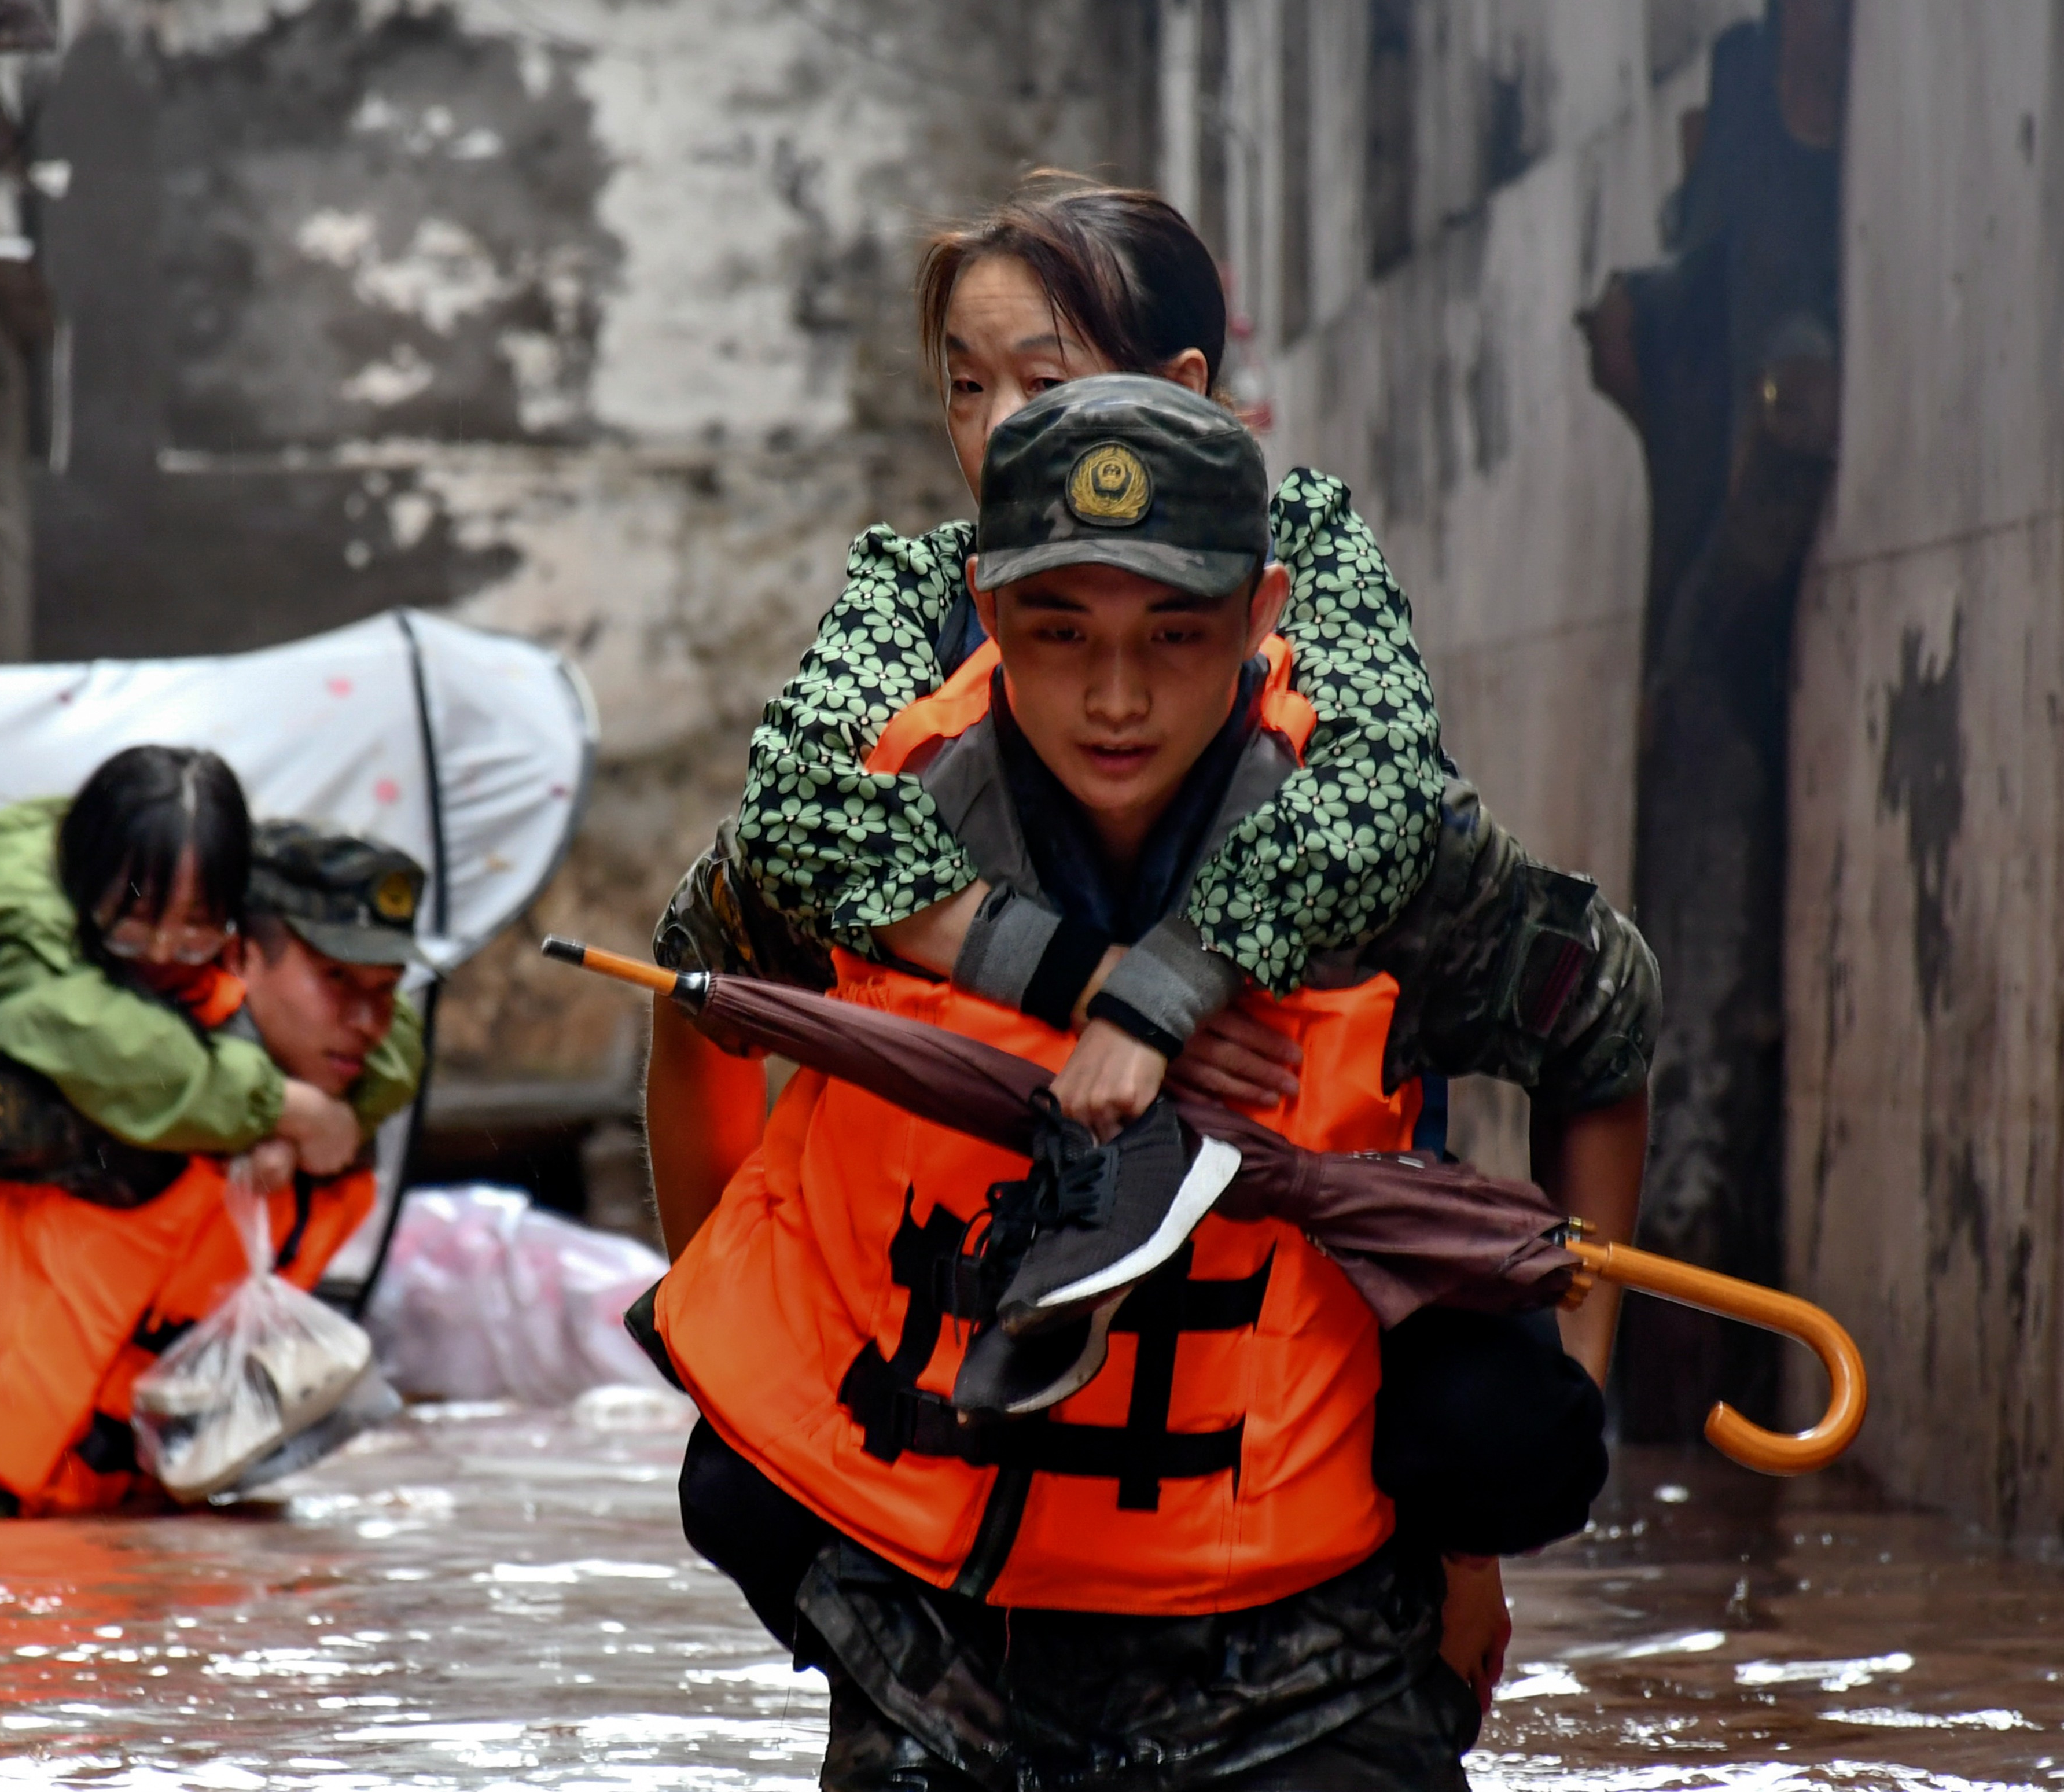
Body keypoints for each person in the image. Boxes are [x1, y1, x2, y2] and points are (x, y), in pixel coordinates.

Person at [646, 172, 1655, 1696]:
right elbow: (749, 885)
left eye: (1045, 385)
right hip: (966, 1370)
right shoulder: (913, 638)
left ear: (1243, 617)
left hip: (1285, 1338)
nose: (1116, 699)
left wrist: (1186, 979)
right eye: (965, 389)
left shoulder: (1318, 631)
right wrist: (1067, 978)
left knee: (1480, 1417)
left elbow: (1406, 833)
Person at [0, 750, 419, 1515]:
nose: (162, 955)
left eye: (193, 929)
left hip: (61, 1458)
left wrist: (288, 1126)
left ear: (228, 929)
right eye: (137, 924)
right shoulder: (79, 1041)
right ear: (249, 954)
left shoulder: (275, 1066)